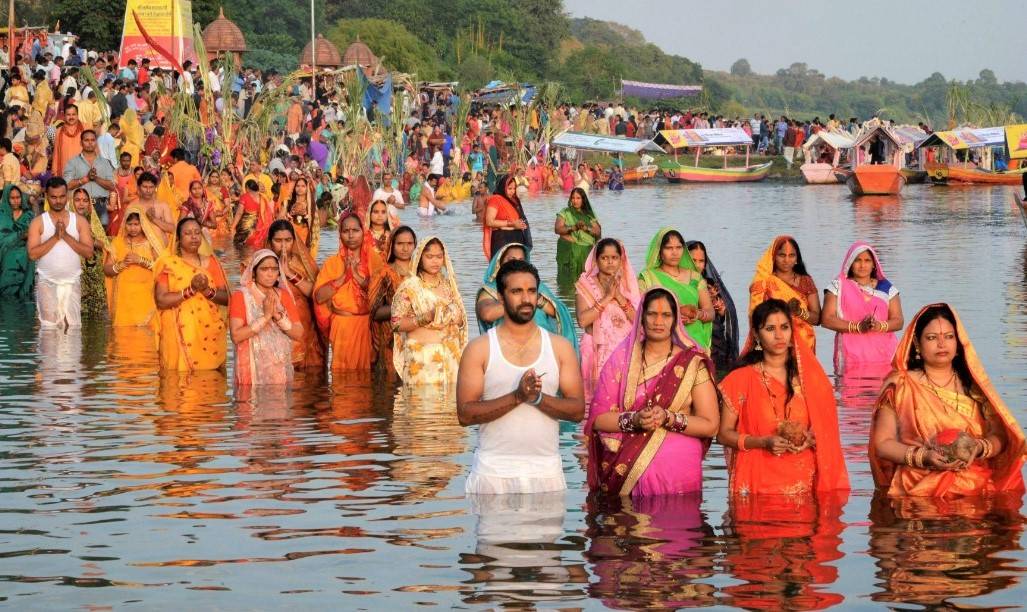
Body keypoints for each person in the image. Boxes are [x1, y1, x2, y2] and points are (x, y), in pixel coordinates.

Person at [456, 258, 585, 494]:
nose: (526, 299)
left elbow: (577, 411)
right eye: (516, 291)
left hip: (546, 475)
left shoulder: (559, 347)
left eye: (531, 291)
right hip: (493, 474)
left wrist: (538, 399)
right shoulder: (480, 349)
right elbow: (465, 414)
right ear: (501, 297)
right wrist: (517, 397)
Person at [869, 304, 1025, 498]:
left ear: (958, 343)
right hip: (918, 491)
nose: (942, 344)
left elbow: (1001, 436)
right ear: (917, 343)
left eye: (949, 337)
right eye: (932, 337)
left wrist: (978, 448)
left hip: (976, 488)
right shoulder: (901, 386)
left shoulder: (975, 387)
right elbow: (883, 443)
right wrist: (924, 457)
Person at [585, 288, 720, 497]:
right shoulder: (620, 360)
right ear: (641, 317)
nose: (659, 321)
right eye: (652, 314)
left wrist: (669, 418)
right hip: (624, 474)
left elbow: (711, 425)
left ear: (675, 320)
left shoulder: (692, 363)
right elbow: (598, 420)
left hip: (678, 479)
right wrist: (635, 420)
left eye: (666, 315)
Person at [718, 299, 850, 496]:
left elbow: (827, 431)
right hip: (756, 485)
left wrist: (810, 439)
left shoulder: (812, 380)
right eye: (770, 328)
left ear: (792, 332)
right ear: (756, 335)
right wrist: (763, 442)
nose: (779, 335)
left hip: (804, 485)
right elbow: (723, 434)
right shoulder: (739, 379)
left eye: (784, 327)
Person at [153, 218, 230, 371]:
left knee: (210, 384)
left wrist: (207, 290)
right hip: (176, 333)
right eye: (188, 233)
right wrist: (191, 291)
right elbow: (161, 301)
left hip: (209, 332)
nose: (194, 237)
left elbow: (227, 298)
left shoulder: (212, 263)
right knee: (176, 383)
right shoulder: (169, 265)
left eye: (197, 233)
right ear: (178, 239)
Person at [391, 237, 468, 385]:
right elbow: (396, 324)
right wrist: (427, 317)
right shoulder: (410, 287)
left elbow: (461, 320)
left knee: (450, 406)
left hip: (450, 359)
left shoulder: (448, 285)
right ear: (420, 258)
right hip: (422, 361)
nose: (435, 261)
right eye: (429, 257)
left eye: (439, 257)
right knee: (421, 405)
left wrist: (456, 317)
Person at [314, 211, 382, 370]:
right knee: (342, 380)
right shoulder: (332, 263)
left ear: (363, 232)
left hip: (368, 326)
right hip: (342, 327)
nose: (351, 235)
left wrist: (357, 277)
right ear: (340, 234)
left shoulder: (375, 260)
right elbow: (319, 297)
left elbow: (381, 294)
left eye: (355, 230)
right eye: (346, 231)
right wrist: (343, 277)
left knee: (367, 381)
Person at [477, 243, 578, 351]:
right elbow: (487, 314)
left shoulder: (539, 287)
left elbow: (558, 313)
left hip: (542, 346)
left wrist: (537, 300)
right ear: (499, 263)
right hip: (507, 347)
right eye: (511, 259)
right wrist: (521, 303)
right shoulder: (490, 289)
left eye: (521, 260)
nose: (516, 263)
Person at [821, 241, 902, 372]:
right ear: (850, 263)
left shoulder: (886, 288)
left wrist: (879, 326)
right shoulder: (838, 286)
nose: (862, 265)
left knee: (885, 391)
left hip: (885, 355)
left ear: (874, 265)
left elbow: (898, 321)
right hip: (850, 356)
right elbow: (826, 319)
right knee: (851, 391)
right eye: (857, 260)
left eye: (867, 260)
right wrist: (858, 327)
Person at [575, 238, 639, 405]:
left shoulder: (628, 285)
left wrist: (619, 297)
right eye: (604, 258)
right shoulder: (585, 284)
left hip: (624, 350)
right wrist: (607, 298)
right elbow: (582, 321)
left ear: (621, 259)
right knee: (595, 402)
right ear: (596, 260)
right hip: (596, 350)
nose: (610, 262)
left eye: (614, 257)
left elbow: (638, 321)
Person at [229, 249, 305, 386]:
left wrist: (277, 316)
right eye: (264, 269)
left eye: (274, 269)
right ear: (254, 272)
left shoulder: (284, 296)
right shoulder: (241, 296)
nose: (270, 274)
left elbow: (298, 334)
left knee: (278, 403)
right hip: (250, 367)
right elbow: (236, 336)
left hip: (278, 366)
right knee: (250, 404)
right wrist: (265, 317)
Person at [27, 178, 94, 329]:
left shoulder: (79, 221)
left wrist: (66, 236)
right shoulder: (38, 222)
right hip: (46, 282)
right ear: (46, 196)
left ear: (67, 196)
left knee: (73, 329)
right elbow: (32, 254)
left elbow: (89, 253)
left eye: (62, 196)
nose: (58, 201)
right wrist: (56, 237)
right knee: (48, 331)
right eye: (54, 197)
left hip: (72, 281)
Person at [637, 228, 715, 351]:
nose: (675, 253)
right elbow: (640, 311)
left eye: (678, 247)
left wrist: (697, 314)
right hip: (663, 339)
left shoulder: (695, 277)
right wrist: (674, 317)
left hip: (695, 339)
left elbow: (710, 311)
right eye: (669, 248)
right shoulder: (647, 278)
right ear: (660, 251)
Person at [265, 220, 324, 370]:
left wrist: (289, 274)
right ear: (270, 242)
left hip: (304, 329)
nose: (283, 246)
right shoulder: (260, 265)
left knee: (306, 381)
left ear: (294, 240)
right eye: (278, 241)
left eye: (288, 240)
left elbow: (316, 294)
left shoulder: (303, 263)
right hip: (273, 329)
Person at [748, 235, 821, 353]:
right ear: (773, 256)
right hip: (772, 340)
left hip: (803, 343)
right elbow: (755, 315)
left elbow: (817, 319)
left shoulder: (805, 280)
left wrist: (799, 312)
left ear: (797, 258)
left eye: (791, 255)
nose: (787, 260)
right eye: (782, 255)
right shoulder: (764, 281)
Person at [103, 205, 163, 328]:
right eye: (129, 224)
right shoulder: (117, 243)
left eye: (136, 224)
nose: (133, 228)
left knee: (146, 334)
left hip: (145, 295)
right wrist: (121, 265)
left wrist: (141, 260)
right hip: (123, 297)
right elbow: (107, 270)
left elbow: (161, 267)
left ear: (143, 224)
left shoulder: (150, 243)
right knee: (123, 333)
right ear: (124, 224)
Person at [370, 225, 417, 378]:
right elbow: (374, 312)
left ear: (415, 245)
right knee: (390, 386)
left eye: (409, 244)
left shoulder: (422, 273)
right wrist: (404, 308)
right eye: (400, 244)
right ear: (392, 245)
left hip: (418, 336)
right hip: (391, 337)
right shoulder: (384, 273)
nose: (405, 248)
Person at [687, 240, 739, 374]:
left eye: (701, 261)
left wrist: (721, 311)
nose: (698, 266)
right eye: (693, 260)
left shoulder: (709, 283)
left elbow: (724, 315)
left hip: (716, 342)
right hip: (692, 340)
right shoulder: (679, 284)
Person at [70, 188, 110, 319]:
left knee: (95, 319)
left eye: (85, 200)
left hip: (94, 275)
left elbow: (103, 244)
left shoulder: (93, 220)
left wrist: (87, 239)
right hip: (74, 274)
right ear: (71, 202)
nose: (81, 203)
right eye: (77, 200)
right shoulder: (66, 222)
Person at [63, 130, 116, 226]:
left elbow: (112, 186)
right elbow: (67, 185)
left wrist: (96, 178)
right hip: (80, 206)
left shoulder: (105, 162)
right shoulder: (72, 162)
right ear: (81, 142)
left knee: (101, 239)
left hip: (101, 206)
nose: (90, 143)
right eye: (86, 140)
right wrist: (85, 179)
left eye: (92, 140)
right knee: (80, 237)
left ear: (96, 142)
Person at [554, 187, 601, 281]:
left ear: (583, 199)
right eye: (573, 198)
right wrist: (573, 227)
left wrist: (585, 228)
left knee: (587, 279)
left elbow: (597, 231)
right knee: (569, 280)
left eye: (578, 198)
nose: (575, 201)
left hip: (587, 250)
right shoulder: (565, 212)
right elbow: (557, 229)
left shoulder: (589, 214)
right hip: (571, 251)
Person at [482, 174, 530, 260]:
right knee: (502, 269)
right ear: (503, 187)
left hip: (516, 240)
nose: (512, 191)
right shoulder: (495, 199)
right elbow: (489, 221)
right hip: (502, 240)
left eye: (514, 188)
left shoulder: (514, 201)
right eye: (509, 188)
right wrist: (512, 224)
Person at [231, 179, 274, 250]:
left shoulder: (244, 196)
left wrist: (233, 227)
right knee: (256, 247)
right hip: (260, 226)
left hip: (246, 225)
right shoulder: (263, 197)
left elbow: (239, 213)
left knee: (239, 246)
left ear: (247, 187)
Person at [283, 176, 318, 258]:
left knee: (302, 257)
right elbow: (282, 217)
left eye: (303, 186)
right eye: (298, 186)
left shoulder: (310, 204)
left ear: (307, 188)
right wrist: (287, 216)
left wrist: (308, 217)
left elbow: (313, 221)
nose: (300, 188)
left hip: (305, 233)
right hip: (291, 233)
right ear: (294, 188)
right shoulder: (288, 202)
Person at [50, 104, 83, 179]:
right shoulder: (59, 131)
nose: (71, 117)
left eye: (73, 114)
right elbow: (56, 153)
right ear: (64, 116)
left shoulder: (85, 129)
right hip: (65, 172)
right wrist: (54, 172)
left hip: (83, 172)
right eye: (68, 115)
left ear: (78, 115)